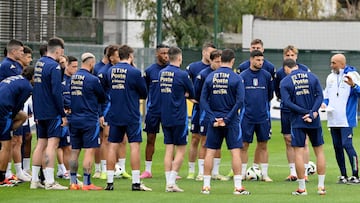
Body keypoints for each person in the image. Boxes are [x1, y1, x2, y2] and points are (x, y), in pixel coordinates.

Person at [200, 48, 249, 195]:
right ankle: (238, 187)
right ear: (233, 60)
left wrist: (212, 117)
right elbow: (240, 101)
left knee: (210, 152)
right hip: (231, 121)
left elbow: (203, 100)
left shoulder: (210, 77)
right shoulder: (236, 78)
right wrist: (227, 118)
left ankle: (206, 186)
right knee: (235, 152)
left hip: (214, 120)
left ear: (221, 60)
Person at [104, 45, 151, 191]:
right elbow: (144, 92)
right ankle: (136, 182)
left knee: (112, 145)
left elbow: (106, 88)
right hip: (131, 113)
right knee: (134, 146)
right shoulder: (134, 72)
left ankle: (110, 182)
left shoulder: (110, 70)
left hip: (115, 113)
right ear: (130, 56)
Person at [280, 58, 326, 195]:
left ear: (285, 69)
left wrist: (303, 112)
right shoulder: (312, 77)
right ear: (297, 66)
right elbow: (320, 96)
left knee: (298, 152)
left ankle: (302, 188)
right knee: (319, 152)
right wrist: (312, 113)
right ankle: (321, 187)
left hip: (298, 121)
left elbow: (287, 103)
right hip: (314, 120)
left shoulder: (285, 81)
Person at [31, 37, 68, 190]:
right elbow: (56, 92)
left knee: (41, 144)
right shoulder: (55, 67)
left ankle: (35, 181)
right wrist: (63, 114)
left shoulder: (39, 64)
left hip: (40, 111)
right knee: (52, 145)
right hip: (52, 111)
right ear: (58, 51)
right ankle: (50, 181)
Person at [68, 53, 106, 190]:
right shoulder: (93, 79)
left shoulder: (73, 78)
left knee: (74, 150)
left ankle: (73, 182)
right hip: (89, 119)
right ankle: (87, 183)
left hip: (74, 118)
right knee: (89, 150)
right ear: (91, 63)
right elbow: (102, 96)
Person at [159, 46, 194, 192]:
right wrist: (184, 94)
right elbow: (192, 92)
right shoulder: (182, 74)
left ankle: (169, 183)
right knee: (180, 149)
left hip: (165, 115)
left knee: (169, 149)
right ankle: (171, 182)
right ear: (179, 58)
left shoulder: (162, 73)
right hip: (179, 116)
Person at [321, 53, 360, 184]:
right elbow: (326, 95)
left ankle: (355, 175)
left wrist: (353, 85)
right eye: (331, 62)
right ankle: (343, 175)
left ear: (342, 64)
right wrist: (324, 104)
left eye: (334, 63)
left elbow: (359, 91)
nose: (331, 65)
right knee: (337, 146)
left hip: (346, 118)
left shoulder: (353, 75)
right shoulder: (330, 77)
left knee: (347, 144)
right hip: (333, 118)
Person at [274, 45, 311, 181]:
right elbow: (278, 92)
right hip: (286, 110)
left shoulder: (305, 70)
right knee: (288, 139)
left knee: (303, 141)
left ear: (296, 56)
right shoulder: (280, 72)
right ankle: (293, 172)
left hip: (301, 110)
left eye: (292, 55)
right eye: (287, 55)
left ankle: (305, 172)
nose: (290, 57)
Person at [95, 45, 131, 180]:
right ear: (111, 58)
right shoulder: (104, 72)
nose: (120, 58)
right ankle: (104, 169)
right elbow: (99, 95)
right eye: (117, 55)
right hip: (107, 110)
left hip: (121, 109)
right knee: (106, 139)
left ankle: (121, 168)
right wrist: (100, 114)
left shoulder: (122, 71)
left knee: (123, 139)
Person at [193, 50, 228, 181]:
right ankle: (201, 172)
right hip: (206, 114)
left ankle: (215, 172)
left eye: (221, 61)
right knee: (204, 141)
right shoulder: (203, 75)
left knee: (218, 142)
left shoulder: (224, 75)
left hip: (221, 113)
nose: (219, 64)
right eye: (217, 61)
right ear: (211, 61)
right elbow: (196, 95)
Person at [239, 50, 274, 182]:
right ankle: (242, 173)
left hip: (263, 116)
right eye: (258, 60)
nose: (260, 63)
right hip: (246, 116)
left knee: (263, 144)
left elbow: (270, 95)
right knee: (244, 145)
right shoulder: (242, 76)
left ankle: (264, 174)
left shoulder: (266, 75)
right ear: (251, 60)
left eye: (262, 60)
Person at [186, 42, 216, 180]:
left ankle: (208, 171)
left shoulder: (217, 69)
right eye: (209, 53)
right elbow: (187, 87)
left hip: (212, 109)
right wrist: (192, 99)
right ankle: (192, 170)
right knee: (195, 138)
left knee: (209, 139)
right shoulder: (194, 67)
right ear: (204, 52)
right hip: (199, 109)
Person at [0, 67, 34, 187]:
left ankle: (7, 131)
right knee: (6, 145)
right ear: (33, 77)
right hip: (4, 110)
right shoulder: (28, 87)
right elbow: (18, 105)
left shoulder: (14, 78)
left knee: (23, 116)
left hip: (3, 107)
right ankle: (1, 178)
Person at [140, 44, 169, 179]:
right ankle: (147, 170)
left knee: (171, 140)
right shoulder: (150, 71)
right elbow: (144, 90)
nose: (166, 55)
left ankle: (172, 170)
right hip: (153, 111)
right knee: (150, 139)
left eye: (167, 53)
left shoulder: (172, 70)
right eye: (163, 53)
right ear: (157, 54)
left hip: (169, 110)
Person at [9, 46, 33, 182]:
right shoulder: (7, 67)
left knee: (24, 138)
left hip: (18, 110)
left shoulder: (20, 74)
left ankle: (22, 170)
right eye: (26, 56)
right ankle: (6, 173)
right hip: (9, 109)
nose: (29, 59)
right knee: (11, 141)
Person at [56, 55, 78, 179]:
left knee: (70, 145)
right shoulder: (60, 79)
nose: (76, 69)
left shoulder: (76, 79)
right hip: (64, 116)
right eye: (73, 66)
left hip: (74, 115)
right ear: (67, 66)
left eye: (77, 66)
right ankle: (65, 170)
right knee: (63, 145)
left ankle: (65, 170)